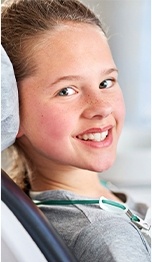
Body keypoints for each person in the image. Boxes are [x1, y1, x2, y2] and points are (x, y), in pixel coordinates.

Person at [1, 0, 151, 261]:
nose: (101, 107)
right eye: (66, 91)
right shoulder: (108, 239)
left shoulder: (80, 202)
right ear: (13, 110)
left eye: (106, 82)